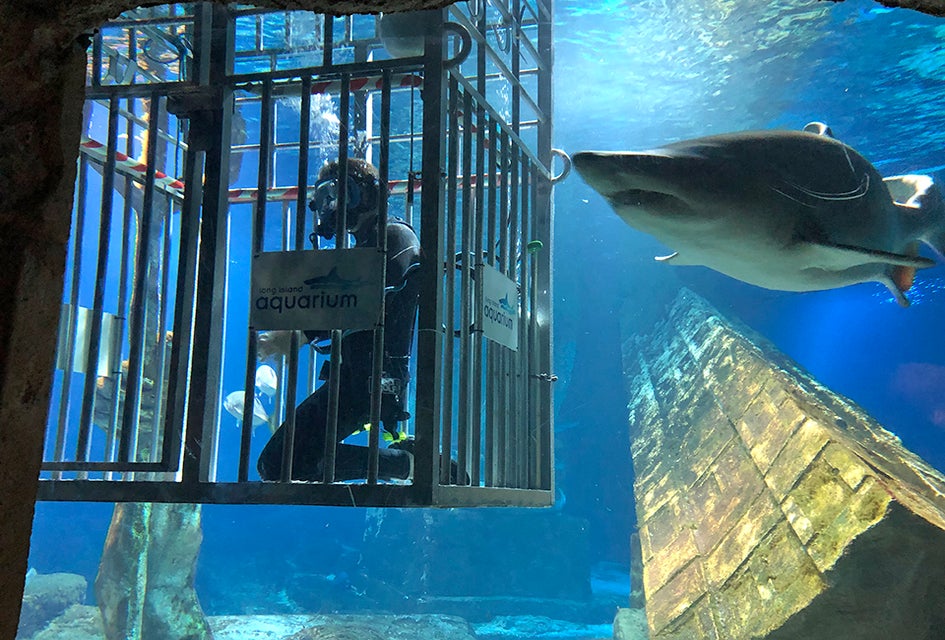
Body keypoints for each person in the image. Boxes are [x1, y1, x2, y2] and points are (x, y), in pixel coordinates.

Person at [256, 158, 420, 482]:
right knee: (284, 463)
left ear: (366, 194)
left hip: (370, 382)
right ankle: (408, 463)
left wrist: (300, 334)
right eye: (325, 198)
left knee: (279, 464)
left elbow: (366, 292)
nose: (331, 206)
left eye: (339, 194)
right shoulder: (371, 244)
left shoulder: (396, 236)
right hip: (356, 379)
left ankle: (409, 464)